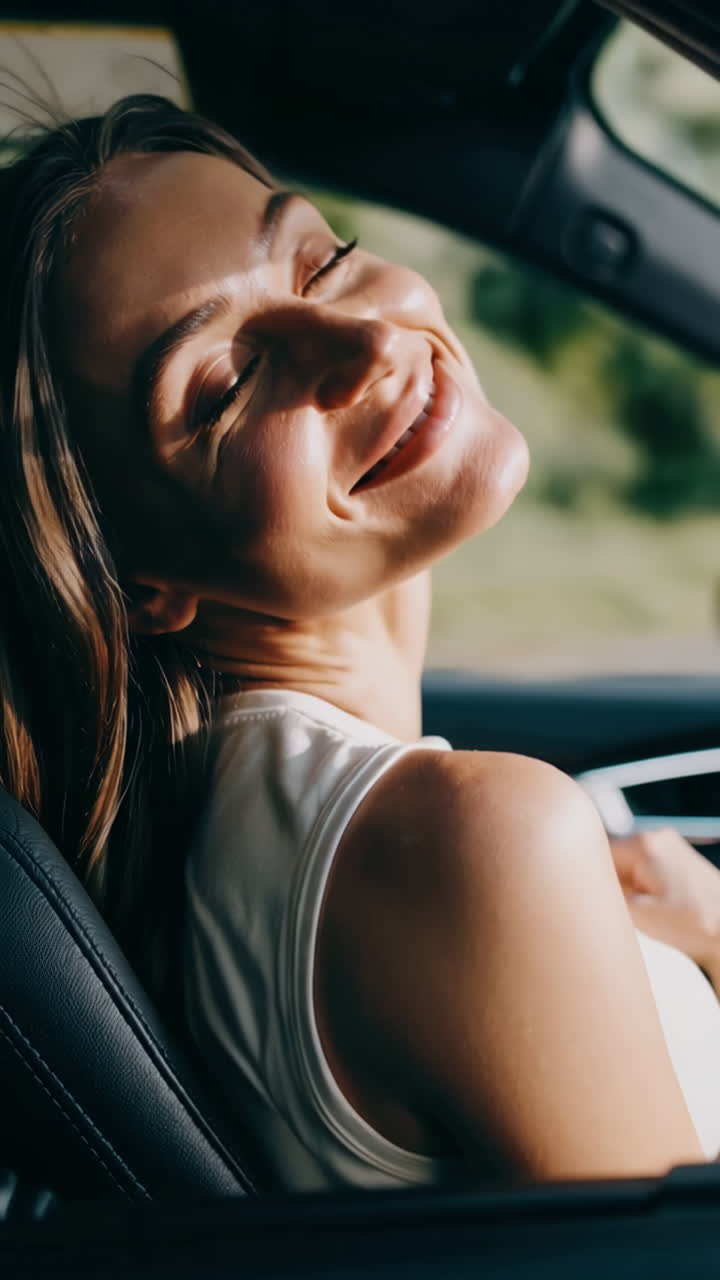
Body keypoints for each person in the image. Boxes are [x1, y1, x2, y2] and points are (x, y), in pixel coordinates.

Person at [2, 93, 720, 1193]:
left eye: (321, 259)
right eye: (229, 381)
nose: (367, 341)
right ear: (140, 581)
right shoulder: (472, 844)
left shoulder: (232, 849)